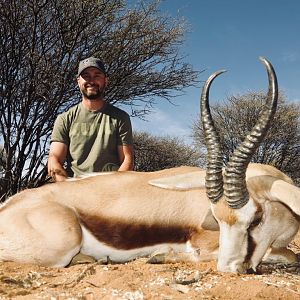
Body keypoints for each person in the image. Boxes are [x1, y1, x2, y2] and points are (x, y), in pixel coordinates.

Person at [48, 57, 134, 182]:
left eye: (97, 75)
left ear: (105, 80)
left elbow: (127, 159)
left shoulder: (121, 118)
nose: (91, 81)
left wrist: (112, 189)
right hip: (75, 190)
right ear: (78, 81)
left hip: (111, 190)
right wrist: (67, 187)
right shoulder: (64, 119)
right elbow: (54, 158)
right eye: (86, 76)